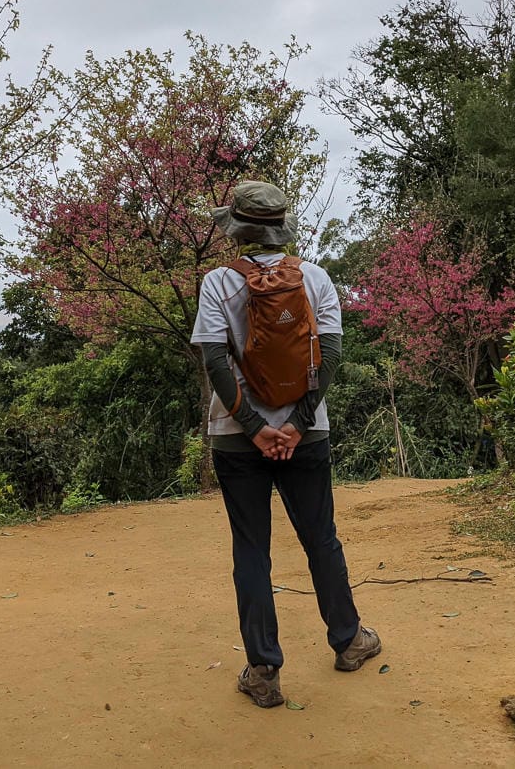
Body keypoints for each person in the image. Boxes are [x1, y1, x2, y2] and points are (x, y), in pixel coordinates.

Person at [190, 180, 381, 709]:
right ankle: (348, 642)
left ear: (237, 228)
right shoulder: (315, 277)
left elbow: (212, 361)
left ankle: (264, 671)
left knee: (252, 549)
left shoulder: (218, 283)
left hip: (235, 437)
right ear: (280, 227)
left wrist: (253, 427)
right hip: (308, 431)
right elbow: (333, 357)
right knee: (321, 538)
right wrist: (296, 423)